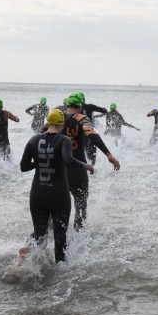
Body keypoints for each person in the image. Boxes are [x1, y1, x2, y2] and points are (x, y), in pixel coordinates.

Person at [20, 109, 94, 262]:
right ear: (61, 124)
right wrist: (85, 165)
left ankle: (25, 256)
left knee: (40, 234)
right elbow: (68, 160)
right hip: (58, 195)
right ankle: (59, 276)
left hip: (37, 194)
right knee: (60, 239)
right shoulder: (64, 140)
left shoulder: (33, 140)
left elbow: (24, 166)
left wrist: (39, 162)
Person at [62, 93, 120, 230]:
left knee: (58, 206)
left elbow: (44, 134)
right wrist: (108, 154)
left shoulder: (58, 117)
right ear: (80, 105)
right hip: (78, 167)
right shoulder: (82, 118)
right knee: (80, 206)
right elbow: (92, 135)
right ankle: (78, 239)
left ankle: (51, 237)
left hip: (60, 169)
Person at [78, 92, 108, 164]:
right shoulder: (90, 106)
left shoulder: (76, 109)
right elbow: (104, 110)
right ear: (84, 99)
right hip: (90, 132)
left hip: (80, 134)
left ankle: (84, 166)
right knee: (92, 150)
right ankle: (93, 167)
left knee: (82, 151)